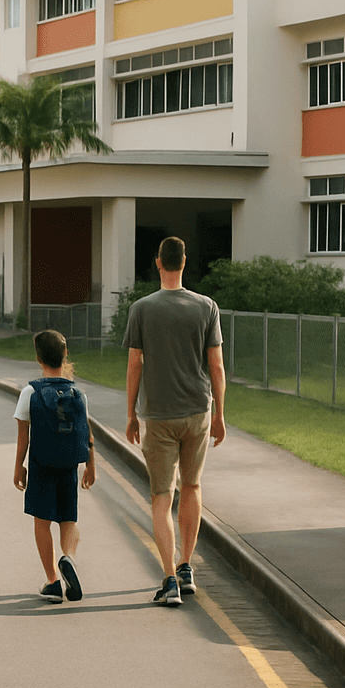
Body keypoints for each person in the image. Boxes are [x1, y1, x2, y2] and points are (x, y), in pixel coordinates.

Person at [123, 236, 226, 606]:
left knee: (161, 496)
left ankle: (168, 579)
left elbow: (135, 363)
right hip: (198, 410)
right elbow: (216, 366)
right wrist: (220, 415)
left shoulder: (142, 309)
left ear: (158, 263)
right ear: (184, 262)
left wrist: (131, 412)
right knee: (193, 487)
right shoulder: (207, 307)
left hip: (159, 416)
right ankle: (186, 566)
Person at [13, 329, 97, 602]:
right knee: (68, 519)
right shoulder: (78, 394)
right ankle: (68, 557)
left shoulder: (30, 392)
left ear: (38, 358)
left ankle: (52, 581)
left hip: (41, 464)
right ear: (65, 354)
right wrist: (91, 465)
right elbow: (88, 434)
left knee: (42, 522)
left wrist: (19, 467)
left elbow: (23, 437)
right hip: (69, 465)